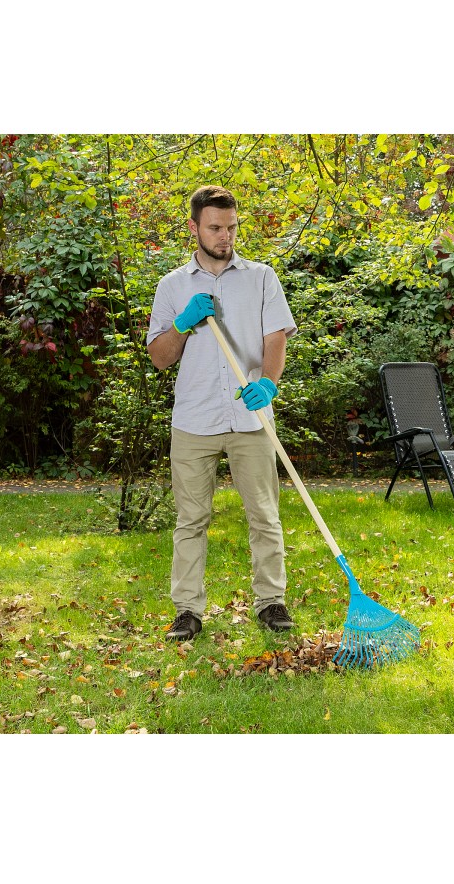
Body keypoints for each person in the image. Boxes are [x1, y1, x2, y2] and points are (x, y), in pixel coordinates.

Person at [147, 185, 297, 641]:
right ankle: (188, 611)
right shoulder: (172, 286)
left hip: (251, 419)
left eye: (231, 227)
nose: (225, 236)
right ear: (194, 227)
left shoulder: (262, 277)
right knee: (190, 520)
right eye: (215, 227)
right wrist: (181, 323)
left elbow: (276, 339)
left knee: (264, 515)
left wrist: (267, 382)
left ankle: (271, 603)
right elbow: (159, 356)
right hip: (194, 420)